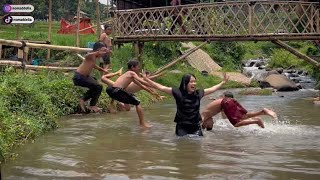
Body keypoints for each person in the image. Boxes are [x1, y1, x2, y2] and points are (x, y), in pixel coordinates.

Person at [142, 72, 229, 136]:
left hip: (196, 127)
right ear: (185, 83)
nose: (194, 84)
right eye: (191, 82)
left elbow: (211, 89)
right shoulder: (178, 93)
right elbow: (160, 87)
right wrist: (147, 80)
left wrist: (222, 83)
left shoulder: (198, 93)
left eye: (195, 81)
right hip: (182, 127)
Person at [106, 59, 161, 128]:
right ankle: (142, 124)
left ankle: (114, 106)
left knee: (132, 102)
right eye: (137, 67)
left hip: (110, 89)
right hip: (117, 90)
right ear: (132, 67)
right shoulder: (132, 73)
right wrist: (155, 84)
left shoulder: (129, 75)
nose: (138, 68)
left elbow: (142, 85)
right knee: (137, 102)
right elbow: (143, 81)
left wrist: (152, 92)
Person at [201, 91, 278, 130]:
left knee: (236, 124)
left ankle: (256, 121)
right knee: (244, 116)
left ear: (205, 122)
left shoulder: (202, 117)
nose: (212, 124)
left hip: (226, 102)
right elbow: (219, 102)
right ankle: (262, 112)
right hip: (229, 101)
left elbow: (199, 124)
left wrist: (201, 127)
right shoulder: (209, 112)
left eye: (208, 126)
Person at [72, 42, 111, 113]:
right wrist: (97, 52)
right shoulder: (91, 55)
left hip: (84, 77)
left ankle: (83, 99)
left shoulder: (94, 58)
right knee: (98, 86)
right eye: (103, 51)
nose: (104, 53)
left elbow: (94, 65)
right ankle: (92, 105)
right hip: (79, 77)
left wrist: (103, 70)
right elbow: (87, 55)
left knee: (96, 84)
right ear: (98, 50)